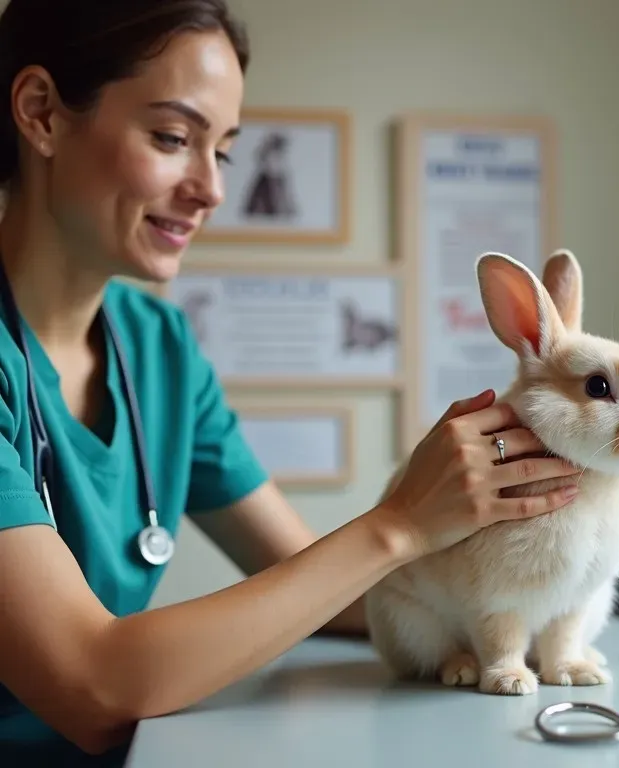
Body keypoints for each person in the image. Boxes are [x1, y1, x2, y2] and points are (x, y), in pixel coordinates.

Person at [0, 1, 580, 765]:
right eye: (173, 138)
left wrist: (495, 570)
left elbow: (316, 586)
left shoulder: (158, 349)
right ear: (41, 113)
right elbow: (92, 688)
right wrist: (401, 522)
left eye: (226, 152)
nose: (210, 189)